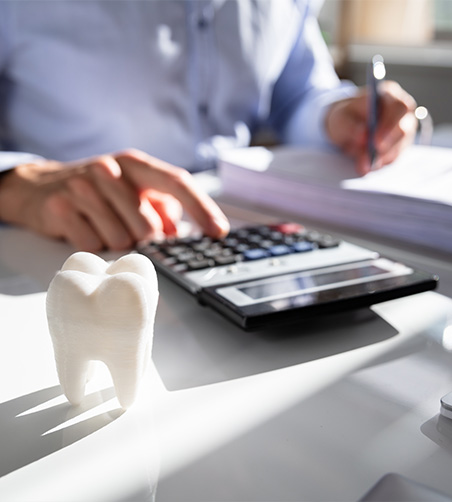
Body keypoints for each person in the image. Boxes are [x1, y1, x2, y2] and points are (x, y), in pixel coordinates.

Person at [0, 0, 417, 251]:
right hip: (69, 247)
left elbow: (296, 95)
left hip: (243, 233)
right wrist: (18, 186)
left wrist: (335, 116)